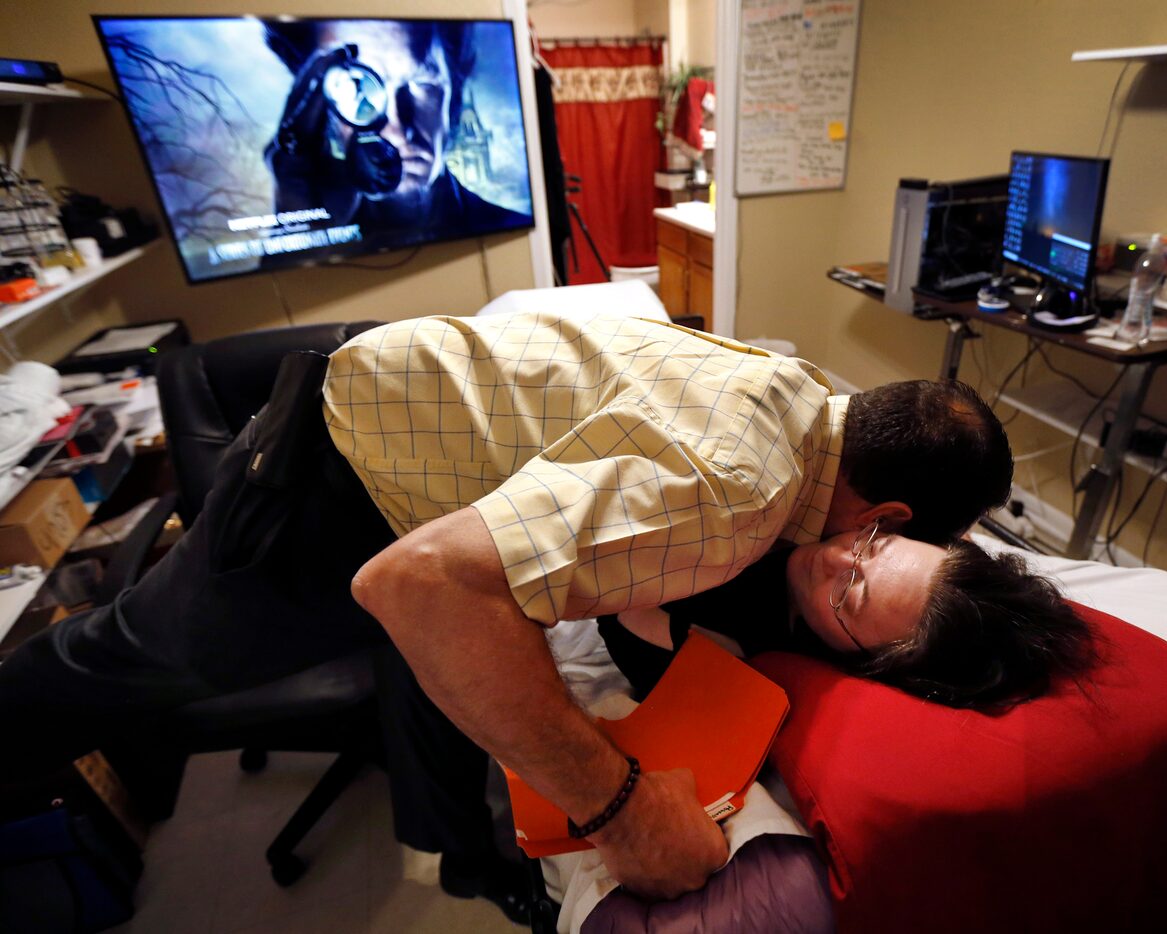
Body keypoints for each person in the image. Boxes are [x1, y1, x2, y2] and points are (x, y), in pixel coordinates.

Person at [0, 311, 1013, 907]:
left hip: (386, 434)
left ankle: (462, 855)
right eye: (883, 541)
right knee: (123, 657)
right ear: (886, 510)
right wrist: (618, 805)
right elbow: (417, 582)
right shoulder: (741, 493)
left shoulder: (787, 382)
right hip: (328, 494)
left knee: (443, 664)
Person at [602, 522, 1096, 708]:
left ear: (863, 660)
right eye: (874, 544)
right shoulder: (836, 512)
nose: (837, 558)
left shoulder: (699, 645)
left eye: (850, 596)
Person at [262, 19, 531, 250]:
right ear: (325, 111)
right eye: (357, 87)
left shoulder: (508, 227)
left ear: (453, 98)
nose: (397, 130)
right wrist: (302, 230)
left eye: (422, 83)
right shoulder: (322, 230)